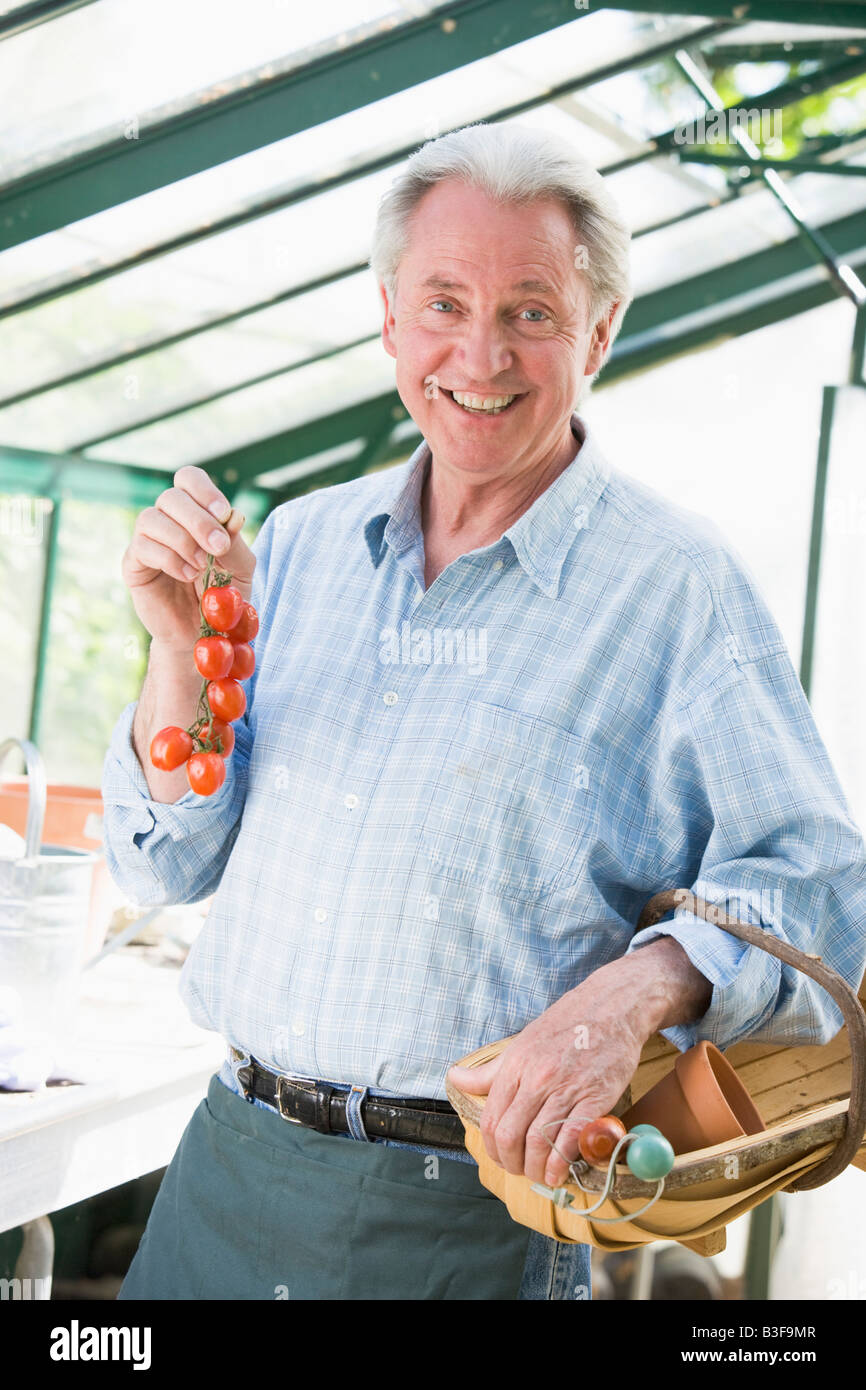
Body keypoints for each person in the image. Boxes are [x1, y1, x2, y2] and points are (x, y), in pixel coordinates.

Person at [103, 122, 866, 1301]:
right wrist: (174, 656)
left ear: (597, 334)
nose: (480, 354)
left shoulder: (674, 590)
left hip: (471, 1221)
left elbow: (823, 890)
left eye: (530, 312)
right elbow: (167, 865)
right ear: (389, 319)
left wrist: (643, 983)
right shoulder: (302, 542)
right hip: (222, 1173)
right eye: (444, 303)